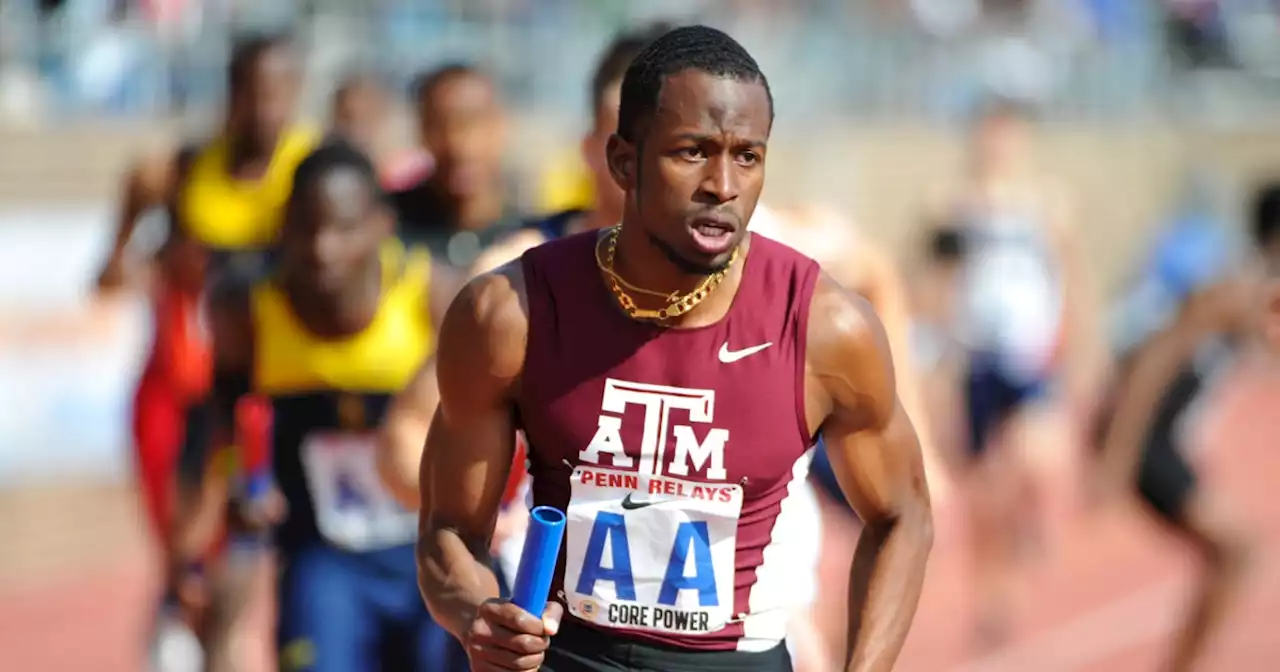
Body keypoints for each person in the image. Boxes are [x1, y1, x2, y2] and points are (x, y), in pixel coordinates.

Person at [417, 25, 933, 672]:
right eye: (693, 152)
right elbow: (448, 530)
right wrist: (476, 615)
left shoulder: (825, 328)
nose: (723, 183)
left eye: (748, 156)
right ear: (623, 160)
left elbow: (902, 514)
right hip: (567, 657)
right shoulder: (510, 313)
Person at [188, 141, 464, 672]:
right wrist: (242, 488)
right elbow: (222, 416)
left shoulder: (429, 296)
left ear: (381, 223)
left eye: (342, 229)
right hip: (323, 563)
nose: (322, 249)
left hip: (425, 559)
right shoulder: (249, 310)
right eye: (307, 228)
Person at [92, 31, 318, 670]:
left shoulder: (309, 171)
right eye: (250, 89)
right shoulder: (188, 169)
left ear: (296, 93)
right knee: (181, 549)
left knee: (237, 553)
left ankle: (211, 638)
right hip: (179, 387)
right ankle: (176, 625)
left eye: (278, 89)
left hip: (260, 393)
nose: (263, 105)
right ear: (231, 92)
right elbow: (120, 248)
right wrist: (132, 259)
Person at [925, 98, 1094, 646]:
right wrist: (941, 356)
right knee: (983, 496)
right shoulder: (956, 207)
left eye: (1006, 135)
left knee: (1032, 460)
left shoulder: (1045, 202)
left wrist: (1077, 349)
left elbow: (1073, 277)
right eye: (988, 135)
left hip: (1031, 357)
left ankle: (1029, 518)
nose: (996, 145)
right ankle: (993, 597)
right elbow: (937, 280)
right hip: (977, 361)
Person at [1092, 180, 1280, 672]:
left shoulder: (1258, 296)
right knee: (1237, 552)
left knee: (1233, 556)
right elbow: (1155, 359)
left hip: (1163, 441)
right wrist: (1118, 453)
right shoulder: (1232, 292)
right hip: (1148, 441)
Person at [391, 63, 523, 269]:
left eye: (471, 122)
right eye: (439, 126)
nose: (457, 144)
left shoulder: (528, 239)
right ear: (421, 132)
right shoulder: (390, 226)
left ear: (500, 126)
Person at [329, 71, 432, 191]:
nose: (357, 130)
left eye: (365, 117)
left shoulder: (415, 173)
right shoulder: (334, 173)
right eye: (347, 118)